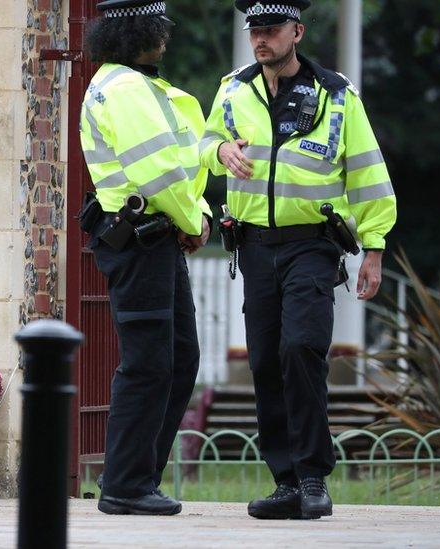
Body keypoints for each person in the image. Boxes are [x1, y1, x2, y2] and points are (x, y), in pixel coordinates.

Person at [201, 0, 397, 520]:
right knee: (265, 359)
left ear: (297, 31)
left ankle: (313, 477)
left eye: (270, 29)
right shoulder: (232, 88)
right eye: (254, 29)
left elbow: (368, 172)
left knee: (302, 348)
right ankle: (285, 481)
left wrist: (373, 247)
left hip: (313, 243)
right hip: (255, 245)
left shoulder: (337, 95)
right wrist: (220, 152)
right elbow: (201, 144)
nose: (260, 38)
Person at [79, 0, 214, 516]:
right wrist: (194, 220)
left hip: (152, 239)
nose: (167, 38)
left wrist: (191, 212)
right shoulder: (129, 89)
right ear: (144, 32)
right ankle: (126, 485)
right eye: (162, 29)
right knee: (150, 363)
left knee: (178, 359)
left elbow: (178, 166)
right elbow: (159, 172)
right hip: (143, 240)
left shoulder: (126, 84)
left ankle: (137, 480)